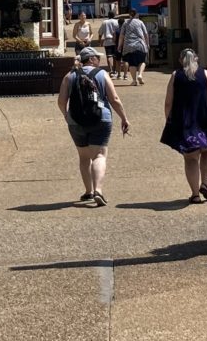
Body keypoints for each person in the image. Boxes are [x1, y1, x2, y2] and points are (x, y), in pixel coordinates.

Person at [58, 45, 130, 205]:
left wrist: (66, 115)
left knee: (84, 157)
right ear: (91, 59)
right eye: (97, 57)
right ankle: (98, 190)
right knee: (99, 155)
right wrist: (124, 118)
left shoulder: (70, 76)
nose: (99, 59)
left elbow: (61, 101)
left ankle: (88, 191)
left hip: (75, 121)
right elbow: (114, 99)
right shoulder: (102, 74)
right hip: (101, 119)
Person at [160, 47, 207, 203]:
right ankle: (205, 183)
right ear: (196, 59)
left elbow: (168, 102)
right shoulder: (205, 73)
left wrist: (169, 121)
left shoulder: (176, 75)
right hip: (206, 120)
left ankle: (195, 194)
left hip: (185, 122)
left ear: (181, 61)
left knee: (190, 159)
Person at [119, 11, 150, 85]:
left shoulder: (125, 23)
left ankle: (134, 80)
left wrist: (119, 45)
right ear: (136, 15)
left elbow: (121, 36)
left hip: (129, 46)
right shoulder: (140, 22)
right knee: (142, 61)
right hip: (140, 45)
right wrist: (147, 44)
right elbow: (146, 34)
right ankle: (140, 74)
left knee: (132, 64)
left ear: (129, 15)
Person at [98, 12, 120, 78]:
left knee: (109, 56)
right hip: (115, 41)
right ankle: (115, 70)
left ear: (108, 16)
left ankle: (110, 70)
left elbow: (100, 33)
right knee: (115, 56)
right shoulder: (116, 22)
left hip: (107, 41)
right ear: (114, 16)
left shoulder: (104, 22)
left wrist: (99, 42)